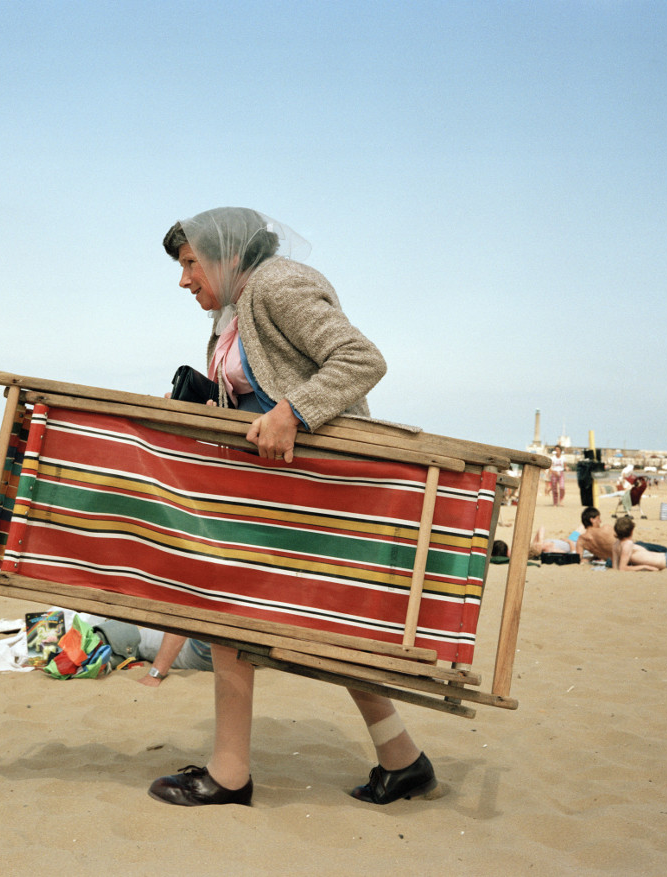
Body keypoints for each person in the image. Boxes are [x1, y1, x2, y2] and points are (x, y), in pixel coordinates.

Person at [148, 207, 438, 808]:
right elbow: (261, 386)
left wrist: (292, 412)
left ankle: (230, 775)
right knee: (321, 623)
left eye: (189, 264)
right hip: (283, 489)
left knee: (227, 607)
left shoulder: (277, 284)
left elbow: (362, 361)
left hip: (317, 486)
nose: (184, 280)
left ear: (226, 254)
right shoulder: (234, 309)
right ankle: (403, 760)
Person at [575, 507, 667, 565]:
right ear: (592, 520)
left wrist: (595, 556)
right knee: (659, 549)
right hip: (629, 551)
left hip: (613, 561)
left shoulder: (581, 540)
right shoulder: (606, 529)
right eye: (598, 519)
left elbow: (579, 560)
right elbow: (625, 538)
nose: (600, 521)